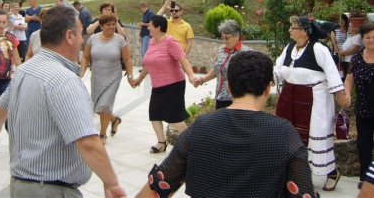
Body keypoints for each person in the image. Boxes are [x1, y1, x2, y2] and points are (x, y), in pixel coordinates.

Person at [0, 6, 126, 198]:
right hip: (51, 190)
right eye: (80, 34)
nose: (82, 40)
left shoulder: (24, 70)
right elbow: (88, 142)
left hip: (20, 186)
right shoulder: (64, 80)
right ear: (69, 36)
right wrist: (112, 184)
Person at [135, 51, 319, 198]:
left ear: (229, 87)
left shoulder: (200, 128)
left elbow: (159, 186)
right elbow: (303, 192)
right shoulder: (285, 133)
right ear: (268, 88)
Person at [274, 16, 348, 191]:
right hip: (290, 97)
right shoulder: (290, 47)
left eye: (293, 27)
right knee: (289, 136)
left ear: (305, 31)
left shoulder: (318, 48)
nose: (290, 30)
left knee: (315, 136)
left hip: (314, 99)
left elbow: (331, 73)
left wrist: (340, 95)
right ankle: (295, 174)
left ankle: (331, 173)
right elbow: (277, 69)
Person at [131, 15, 200, 153]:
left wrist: (191, 76)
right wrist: (139, 78)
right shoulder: (151, 42)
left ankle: (192, 145)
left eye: (150, 25)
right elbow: (148, 64)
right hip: (158, 85)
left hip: (174, 84)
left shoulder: (170, 42)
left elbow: (183, 59)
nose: (148, 27)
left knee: (174, 117)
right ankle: (161, 143)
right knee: (154, 114)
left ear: (158, 28)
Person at [80, 13, 133, 144]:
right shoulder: (93, 39)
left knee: (104, 106)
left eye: (113, 24)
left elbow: (127, 59)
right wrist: (82, 72)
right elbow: (86, 57)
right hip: (97, 77)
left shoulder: (119, 39)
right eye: (108, 25)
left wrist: (130, 76)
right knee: (98, 108)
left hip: (113, 76)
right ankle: (114, 120)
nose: (111, 27)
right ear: (102, 26)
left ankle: (102, 134)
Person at [344, 22, 374, 190]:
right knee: (364, 144)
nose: (371, 41)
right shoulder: (357, 57)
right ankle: (365, 178)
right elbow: (349, 78)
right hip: (363, 109)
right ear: (362, 39)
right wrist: (347, 93)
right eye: (368, 37)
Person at [198, 20, 253, 109]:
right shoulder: (221, 50)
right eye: (222, 38)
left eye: (227, 38)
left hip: (237, 100)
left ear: (237, 36)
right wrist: (203, 79)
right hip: (220, 98)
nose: (224, 41)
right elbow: (218, 69)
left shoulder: (246, 53)